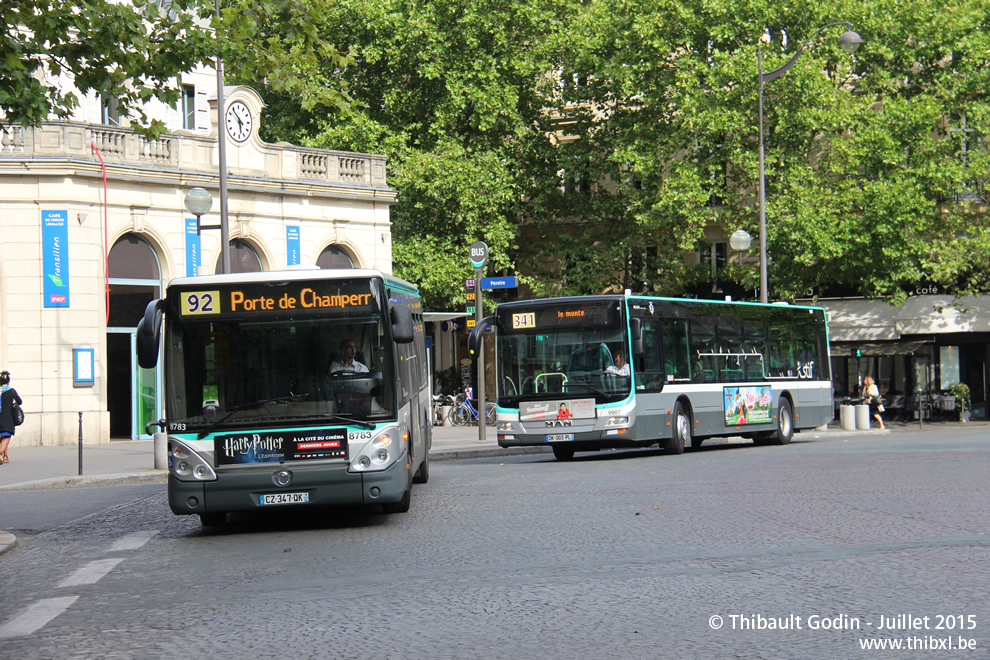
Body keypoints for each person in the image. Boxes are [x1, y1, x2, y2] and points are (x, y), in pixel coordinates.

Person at [0, 370, 23, 464]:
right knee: (7, 435)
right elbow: (20, 401)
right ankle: (0, 452)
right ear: (8, 382)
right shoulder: (11, 391)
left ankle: (4, 457)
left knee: (2, 435)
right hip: (7, 417)